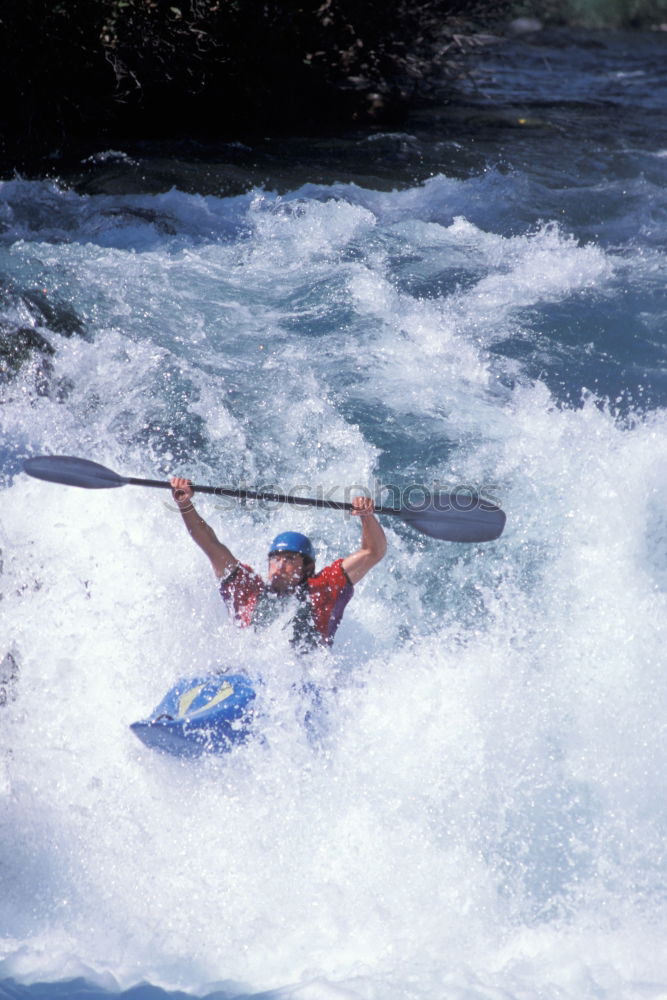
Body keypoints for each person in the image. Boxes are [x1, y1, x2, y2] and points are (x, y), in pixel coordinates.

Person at [170, 477, 387, 651]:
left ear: (307, 568)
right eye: (275, 559)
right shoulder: (247, 588)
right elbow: (209, 542)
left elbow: (372, 552)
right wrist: (185, 504)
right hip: (246, 674)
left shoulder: (324, 588)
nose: (280, 566)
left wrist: (366, 517)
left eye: (290, 560)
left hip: (304, 682)